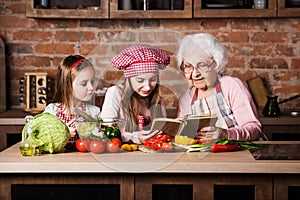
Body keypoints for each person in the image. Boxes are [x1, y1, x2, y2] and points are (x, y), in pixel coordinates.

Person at [177, 33, 262, 141]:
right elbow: (182, 136)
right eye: (188, 66)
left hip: (242, 154)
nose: (194, 74)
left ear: (216, 65)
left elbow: (255, 129)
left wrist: (225, 135)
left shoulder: (231, 86)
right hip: (208, 156)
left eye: (202, 65)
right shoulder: (185, 99)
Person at [101, 44, 170, 144]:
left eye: (153, 80)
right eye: (140, 80)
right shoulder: (115, 93)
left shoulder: (158, 100)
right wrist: (135, 138)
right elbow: (106, 131)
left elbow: (163, 132)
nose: (147, 87)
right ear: (129, 79)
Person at [44, 55, 101, 141]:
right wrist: (62, 134)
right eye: (84, 83)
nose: (91, 87)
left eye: (92, 81)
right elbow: (41, 138)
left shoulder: (94, 112)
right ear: (68, 85)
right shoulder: (52, 111)